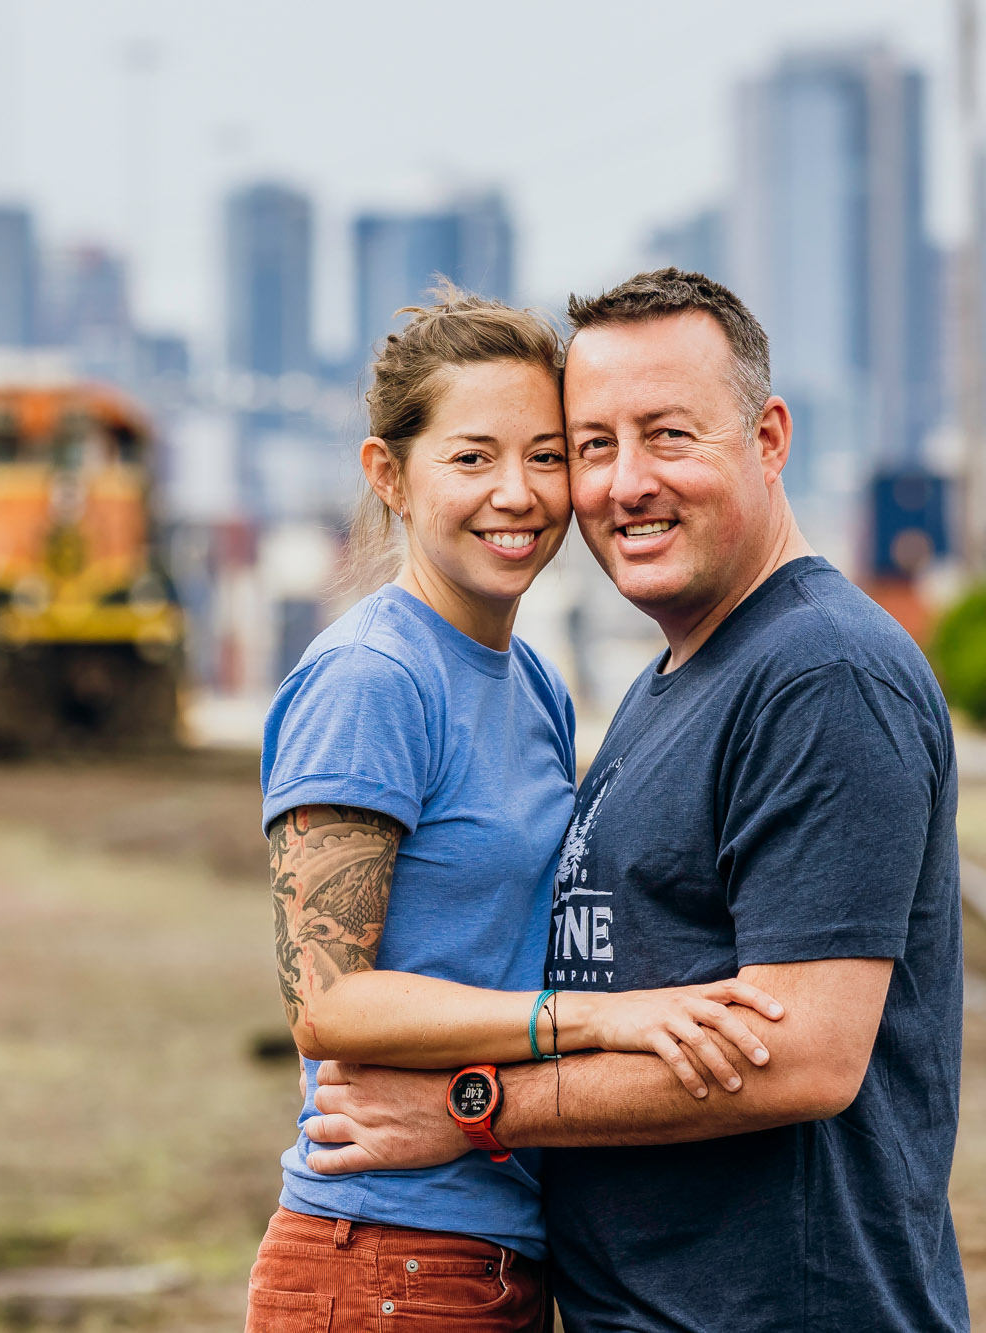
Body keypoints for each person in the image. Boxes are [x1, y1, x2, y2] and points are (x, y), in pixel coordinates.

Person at [302, 269, 971, 1332]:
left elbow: (802, 1055)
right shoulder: (676, 676)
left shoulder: (821, 674)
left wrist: (472, 1108)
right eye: (594, 444)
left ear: (767, 437)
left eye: (666, 435)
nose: (621, 483)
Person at [247, 284, 784, 1333]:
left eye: (547, 455)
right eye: (471, 457)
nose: (518, 493)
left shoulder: (530, 681)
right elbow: (325, 1002)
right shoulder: (370, 677)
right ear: (387, 475)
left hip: (495, 1242)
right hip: (384, 1254)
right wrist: (596, 1021)